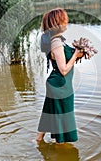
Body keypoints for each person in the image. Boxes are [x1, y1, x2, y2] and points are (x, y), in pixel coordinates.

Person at [36, 8, 83, 144]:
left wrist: (77, 54)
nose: (66, 22)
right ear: (57, 23)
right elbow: (63, 70)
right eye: (64, 20)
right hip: (60, 84)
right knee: (62, 114)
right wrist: (75, 55)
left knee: (49, 111)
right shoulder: (56, 42)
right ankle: (60, 146)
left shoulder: (57, 39)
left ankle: (38, 140)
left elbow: (62, 62)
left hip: (57, 83)